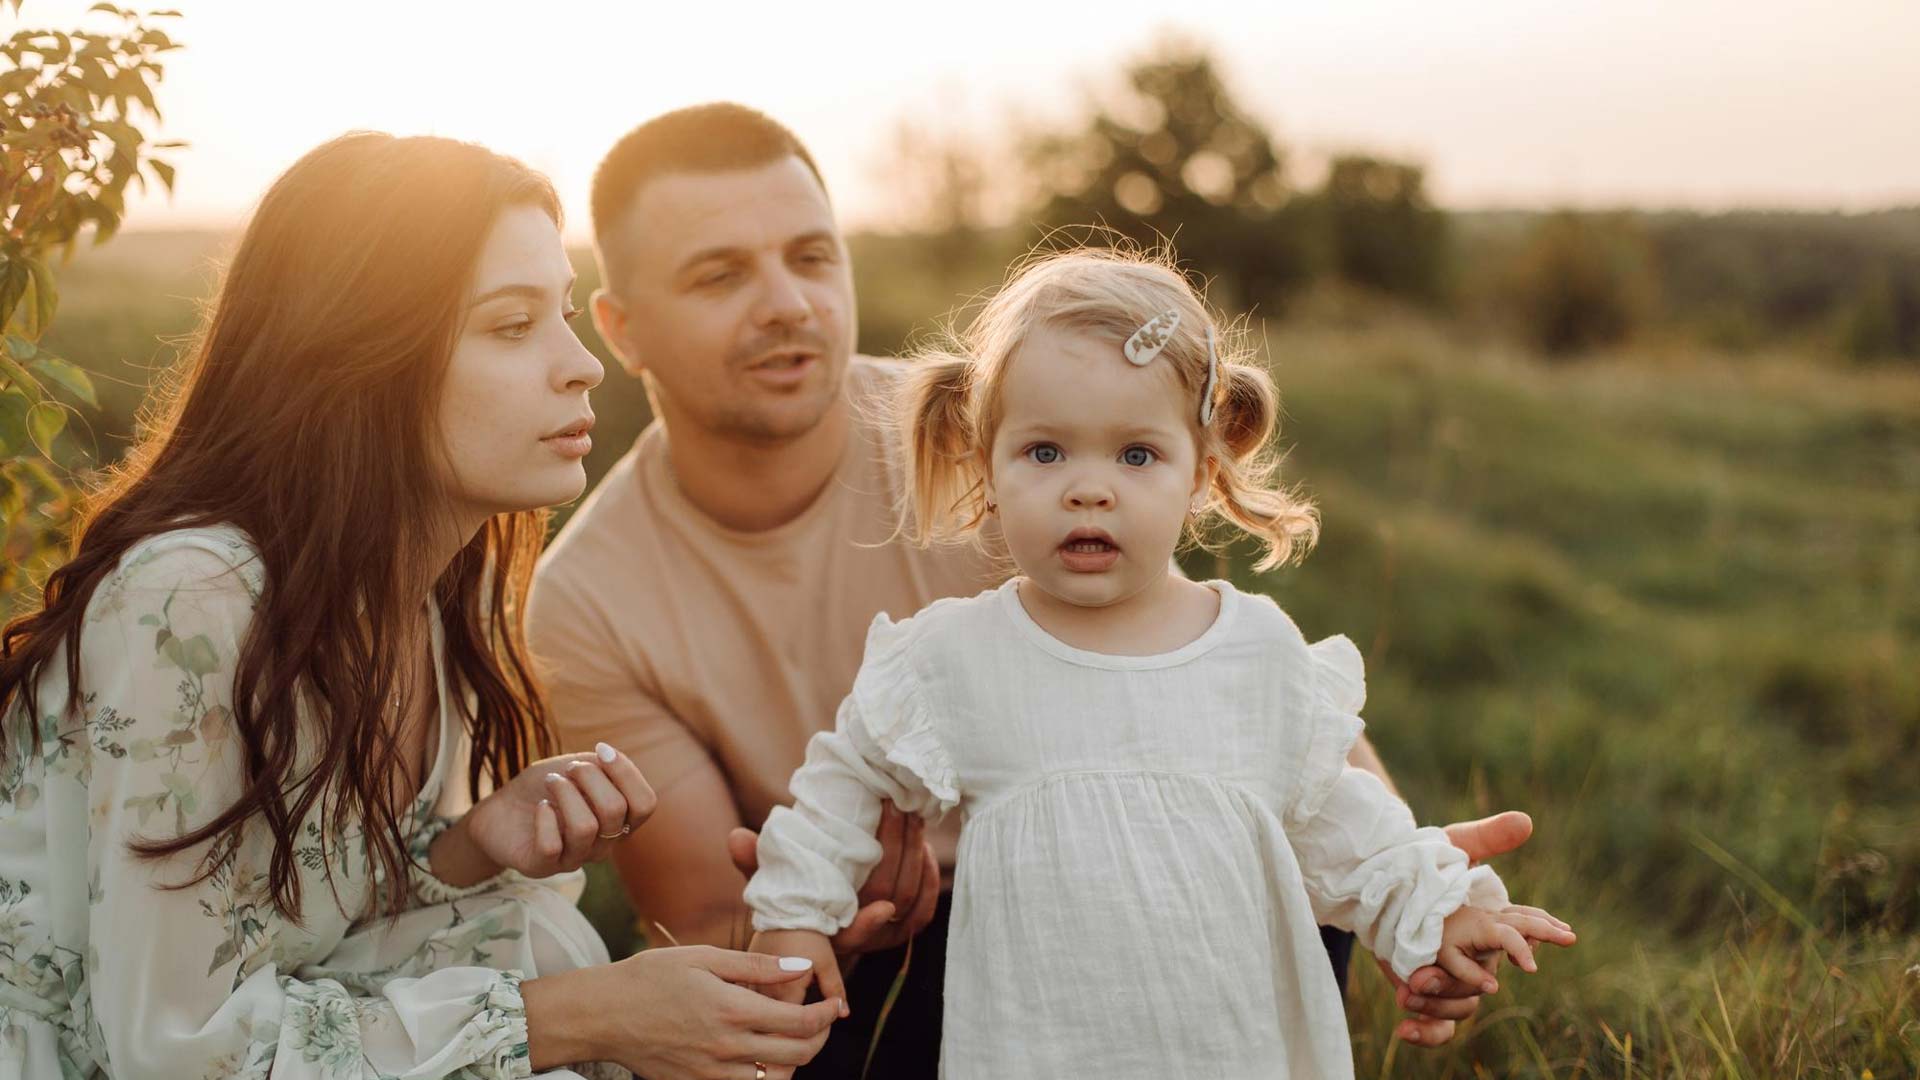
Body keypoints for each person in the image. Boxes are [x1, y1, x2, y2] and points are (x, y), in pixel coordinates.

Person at [530, 103, 1533, 1075]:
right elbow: (714, 922)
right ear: (621, 328)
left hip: (1171, 908)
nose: (789, 303)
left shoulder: (1028, 421)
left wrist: (1418, 887)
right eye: (718, 274)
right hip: (880, 952)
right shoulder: (587, 599)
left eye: (811, 255)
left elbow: (1226, 687)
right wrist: (836, 917)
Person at [0, 132, 839, 1080]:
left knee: (517, 919)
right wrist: (574, 1018)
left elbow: (303, 928)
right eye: (512, 326)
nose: (582, 366)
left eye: (564, 316)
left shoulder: (438, 588)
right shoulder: (191, 598)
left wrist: (468, 850)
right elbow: (170, 1048)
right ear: (362, 357)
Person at [742, 248, 1577, 1078]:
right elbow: (843, 782)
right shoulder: (957, 657)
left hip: (1230, 1047)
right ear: (986, 466)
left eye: (1136, 456)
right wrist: (796, 914)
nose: (1088, 489)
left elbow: (1342, 823)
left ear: (1203, 474)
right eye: (1044, 453)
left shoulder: (1255, 651)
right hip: (1037, 1048)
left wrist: (1434, 910)